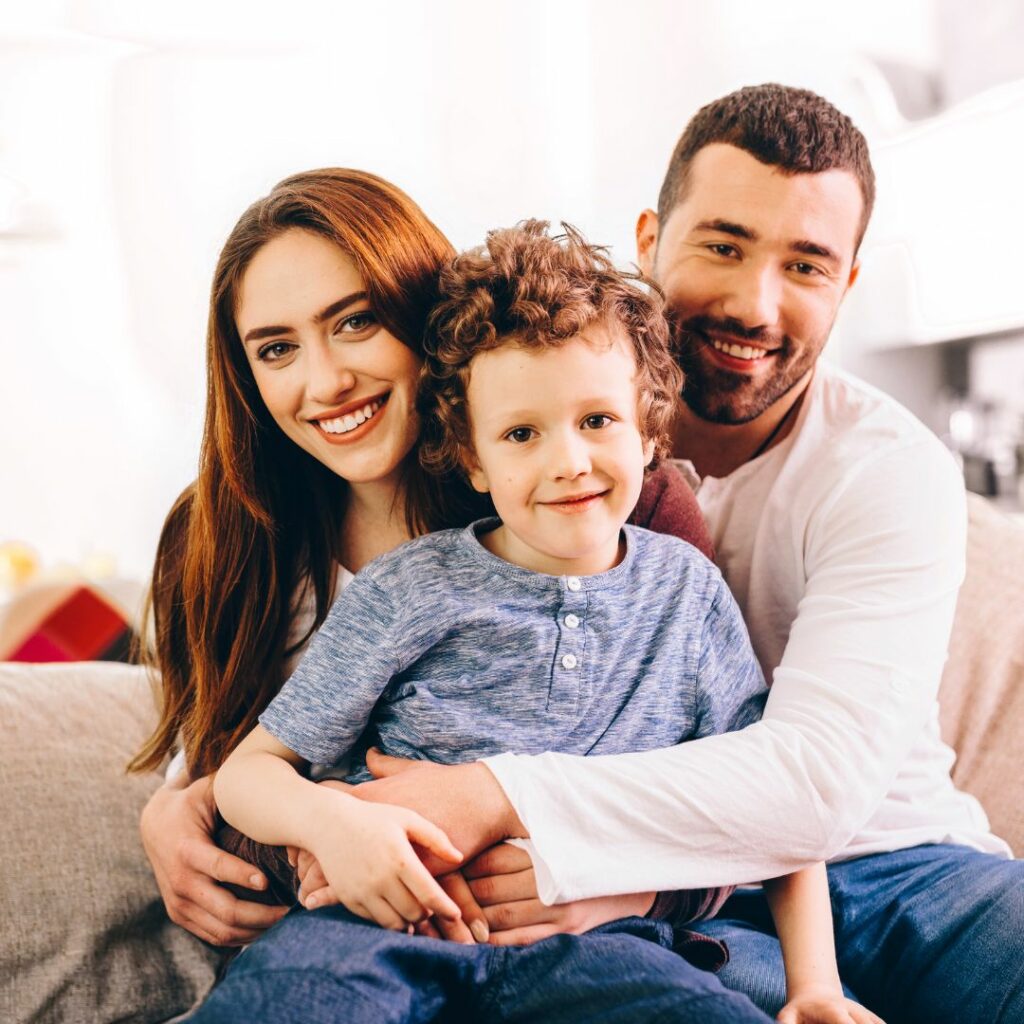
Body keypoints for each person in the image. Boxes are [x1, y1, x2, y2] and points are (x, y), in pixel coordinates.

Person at [301, 86, 1022, 1024]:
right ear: (649, 238)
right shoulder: (528, 438)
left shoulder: (887, 471)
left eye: (806, 265)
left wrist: (504, 800)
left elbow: (816, 784)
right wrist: (199, 794)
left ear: (847, 284)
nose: (754, 303)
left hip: (903, 864)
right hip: (710, 908)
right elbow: (326, 666)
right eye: (723, 245)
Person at [193, 220, 881, 1024]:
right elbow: (249, 773)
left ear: (651, 426)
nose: (569, 462)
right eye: (522, 434)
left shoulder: (688, 596)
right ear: (473, 459)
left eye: (597, 421)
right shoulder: (407, 589)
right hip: (373, 931)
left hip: (601, 942)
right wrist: (335, 828)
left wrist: (816, 990)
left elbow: (771, 810)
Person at [129, 171, 717, 959]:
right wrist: (176, 807)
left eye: (357, 322)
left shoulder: (612, 509)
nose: (326, 381)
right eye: (277, 349)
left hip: (586, 942)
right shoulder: (216, 538)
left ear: (425, 319)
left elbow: (734, 776)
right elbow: (231, 767)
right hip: (355, 945)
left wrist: (626, 885)